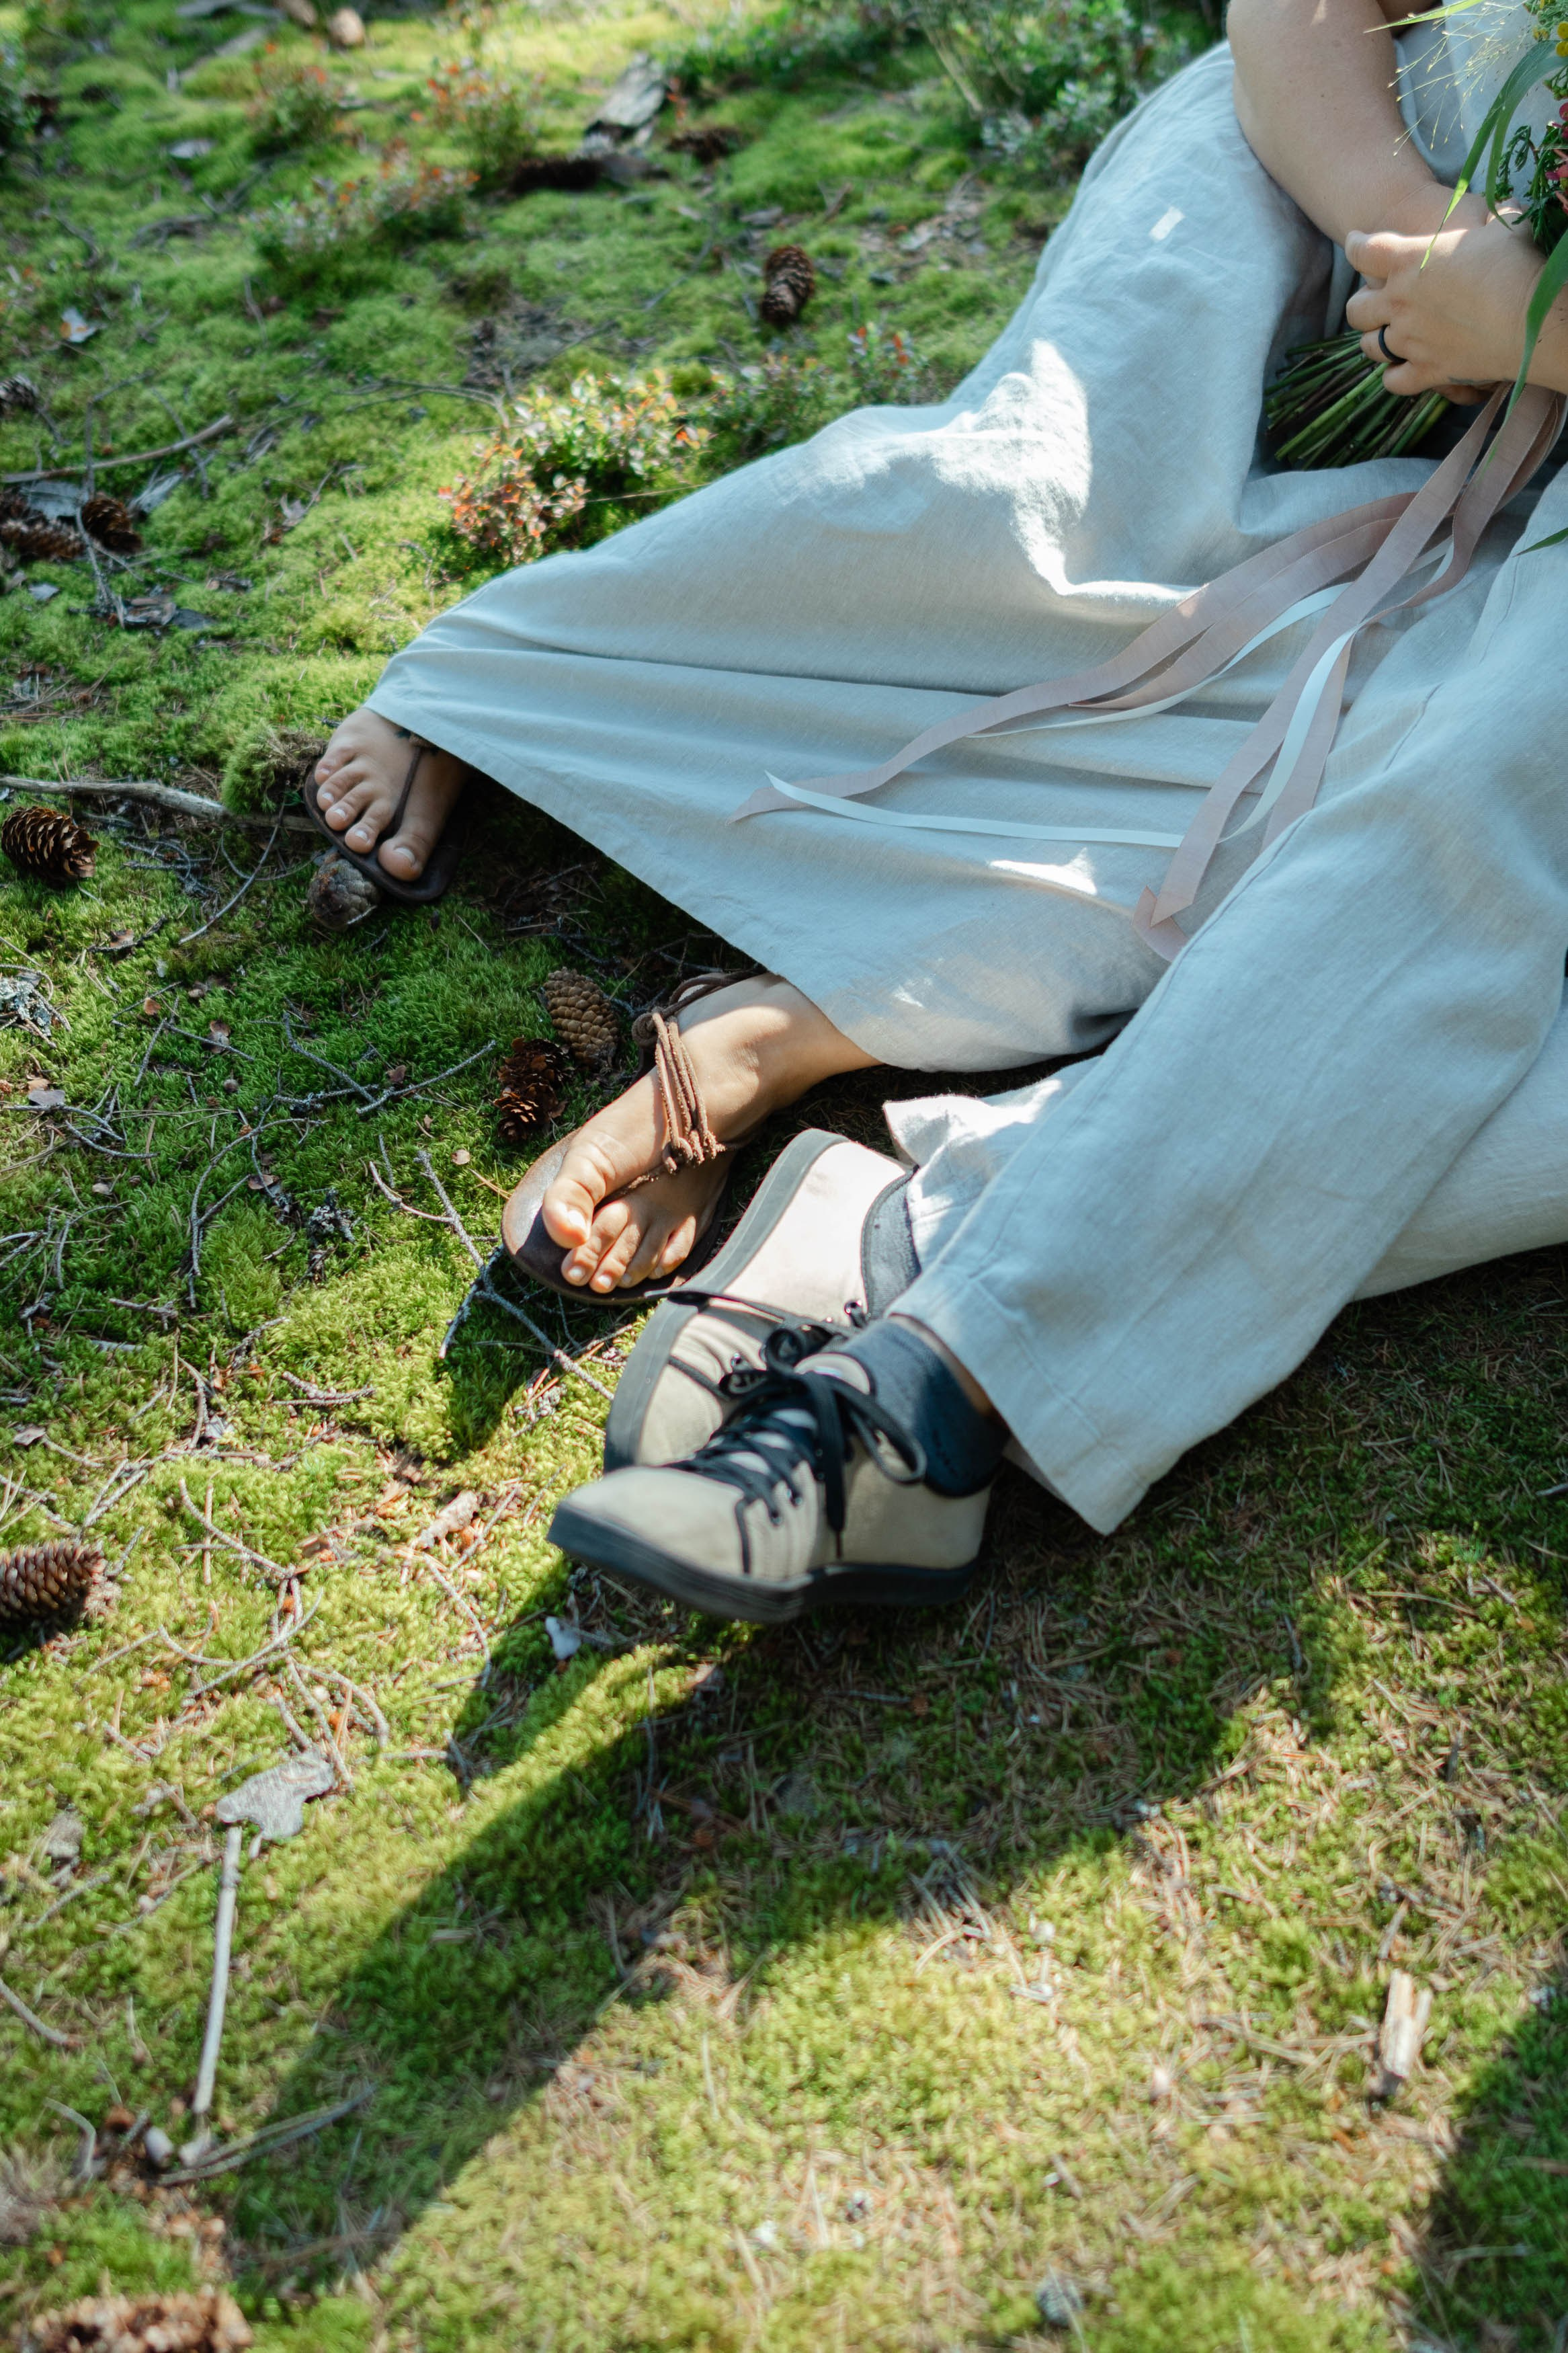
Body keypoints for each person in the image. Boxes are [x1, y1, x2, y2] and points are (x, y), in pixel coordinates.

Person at [311, 0, 1568, 1616]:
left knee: (1461, 764)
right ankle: (544, 674)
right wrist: (1427, 237)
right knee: (1046, 489)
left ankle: (921, 1311)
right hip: (1376, 154)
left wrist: (1540, 322)